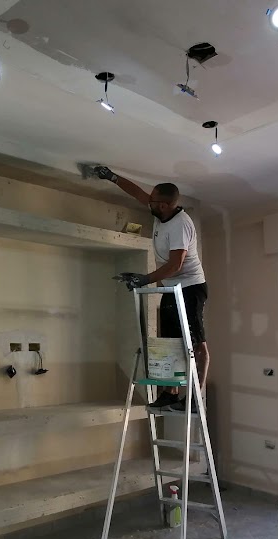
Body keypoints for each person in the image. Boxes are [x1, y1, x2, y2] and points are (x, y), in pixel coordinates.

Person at [94, 165, 208, 411]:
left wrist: (144, 280)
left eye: (153, 200)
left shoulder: (180, 225)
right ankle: (170, 393)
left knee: (197, 344)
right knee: (170, 343)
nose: (149, 202)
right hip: (171, 288)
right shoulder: (161, 211)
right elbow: (138, 193)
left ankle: (195, 399)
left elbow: (176, 265)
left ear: (164, 205)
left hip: (190, 288)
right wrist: (112, 177)